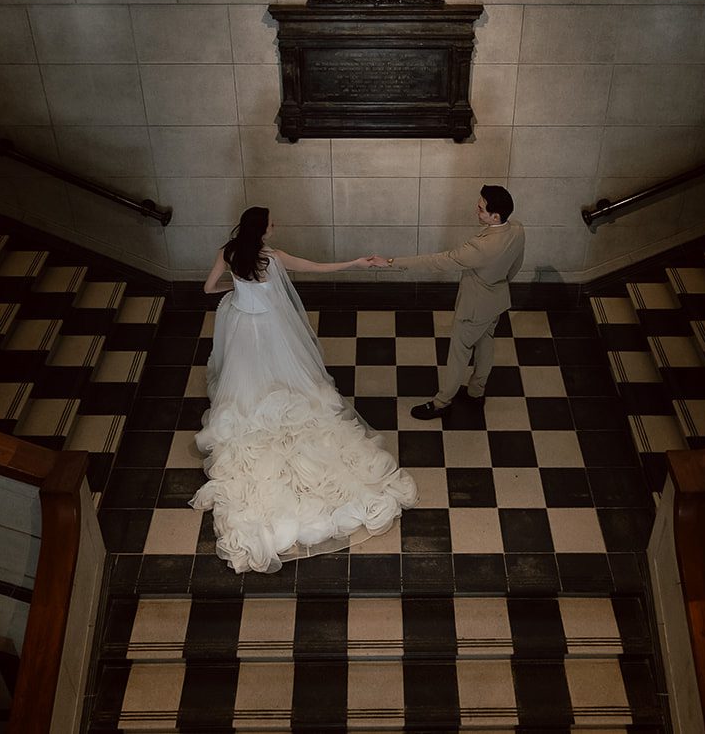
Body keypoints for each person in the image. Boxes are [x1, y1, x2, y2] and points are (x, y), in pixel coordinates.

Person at [192, 206, 416, 573]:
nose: (274, 226)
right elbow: (315, 267)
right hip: (271, 327)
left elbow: (207, 287)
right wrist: (355, 264)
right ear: (262, 232)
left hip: (243, 325)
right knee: (290, 376)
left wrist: (237, 287)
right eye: (271, 224)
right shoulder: (273, 258)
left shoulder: (228, 253)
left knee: (244, 378)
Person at [377, 185, 525, 421]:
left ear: (495, 216)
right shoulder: (517, 230)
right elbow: (515, 265)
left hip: (474, 307)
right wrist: (497, 284)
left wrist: (392, 262)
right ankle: (477, 391)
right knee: (486, 343)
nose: (476, 210)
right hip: (497, 300)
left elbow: (438, 261)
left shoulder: (481, 248)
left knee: (459, 353)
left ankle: (442, 402)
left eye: (480, 208)